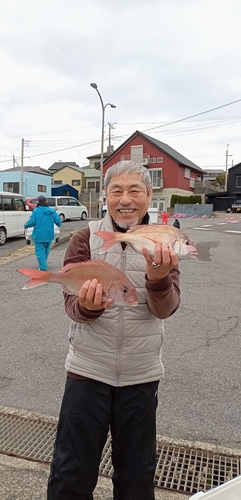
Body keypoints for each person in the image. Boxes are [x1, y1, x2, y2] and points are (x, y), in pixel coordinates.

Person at [47, 160, 180, 500]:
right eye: (116, 190)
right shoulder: (83, 238)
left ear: (150, 195)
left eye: (135, 190)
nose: (126, 199)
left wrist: (158, 277)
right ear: (104, 195)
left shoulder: (161, 241)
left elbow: (165, 308)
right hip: (86, 374)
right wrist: (88, 306)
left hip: (140, 377)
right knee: (70, 476)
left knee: (137, 478)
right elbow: (71, 307)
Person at [24, 195, 61, 271]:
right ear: (46, 201)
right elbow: (58, 222)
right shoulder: (52, 211)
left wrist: (26, 225)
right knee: (46, 250)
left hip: (39, 234)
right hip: (49, 234)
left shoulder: (36, 211)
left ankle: (43, 267)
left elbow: (32, 222)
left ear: (38, 202)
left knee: (40, 251)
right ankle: (43, 264)